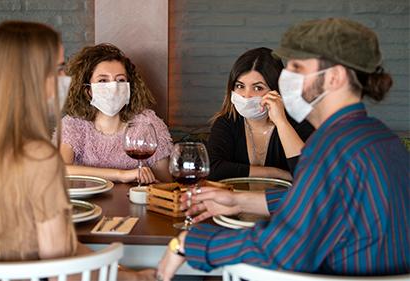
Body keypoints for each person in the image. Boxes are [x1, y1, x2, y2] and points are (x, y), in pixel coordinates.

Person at [157, 18, 409, 280]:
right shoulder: (379, 139)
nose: (287, 79)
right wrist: (240, 200)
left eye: (297, 68)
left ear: (334, 77)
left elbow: (284, 249)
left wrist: (189, 243)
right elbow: (324, 202)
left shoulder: (332, 151)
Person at [0, 20, 153, 280]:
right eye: (60, 68)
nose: (66, 78)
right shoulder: (38, 155)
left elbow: (55, 249)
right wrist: (134, 277)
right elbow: (61, 265)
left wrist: (122, 271)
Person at [58, 43, 173, 184]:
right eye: (103, 80)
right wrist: (121, 175)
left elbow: (167, 182)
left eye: (120, 80)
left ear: (130, 87)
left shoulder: (147, 123)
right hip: (87, 205)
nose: (113, 87)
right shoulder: (74, 124)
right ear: (88, 91)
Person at [207, 47, 314, 182]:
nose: (246, 95)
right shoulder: (228, 122)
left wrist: (281, 122)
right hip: (237, 201)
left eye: (258, 88)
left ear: (276, 90)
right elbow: (212, 169)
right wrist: (277, 173)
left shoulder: (298, 124)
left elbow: (308, 174)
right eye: (240, 86)